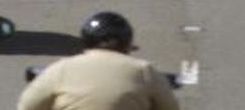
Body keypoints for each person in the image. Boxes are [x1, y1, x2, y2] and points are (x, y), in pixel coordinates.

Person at [16, 12, 181, 110]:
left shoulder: (62, 69)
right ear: (128, 44)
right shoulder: (144, 70)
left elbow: (27, 106)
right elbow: (170, 108)